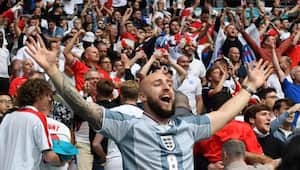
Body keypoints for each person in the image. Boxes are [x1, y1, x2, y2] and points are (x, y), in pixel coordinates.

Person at [25, 34, 273, 169]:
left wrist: (250, 87)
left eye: (168, 84)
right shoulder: (127, 125)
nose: (167, 86)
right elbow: (83, 106)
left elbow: (224, 113)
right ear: (142, 96)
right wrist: (53, 71)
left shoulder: (187, 126)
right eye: (157, 84)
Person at [0, 79, 65, 169]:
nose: (50, 99)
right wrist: (62, 161)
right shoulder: (38, 118)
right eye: (47, 95)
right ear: (38, 96)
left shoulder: (8, 117)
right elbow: (48, 156)